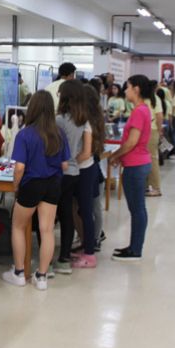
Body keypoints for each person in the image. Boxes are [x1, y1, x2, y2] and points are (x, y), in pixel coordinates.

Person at [2, 91, 70, 290]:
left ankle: (19, 272)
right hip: (53, 184)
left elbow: (19, 167)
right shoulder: (59, 133)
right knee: (47, 229)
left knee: (18, 226)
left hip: (31, 184)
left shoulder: (25, 134)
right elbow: (65, 165)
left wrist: (15, 186)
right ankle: (41, 277)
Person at [109, 75, 153, 261]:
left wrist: (115, 155)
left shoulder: (139, 112)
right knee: (137, 209)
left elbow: (132, 142)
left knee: (137, 209)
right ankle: (134, 246)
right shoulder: (143, 109)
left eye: (127, 87)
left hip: (136, 165)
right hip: (137, 163)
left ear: (136, 89)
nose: (125, 91)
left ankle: (135, 249)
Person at [52, 80, 89, 275]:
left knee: (49, 216)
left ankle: (46, 259)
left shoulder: (59, 120)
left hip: (59, 172)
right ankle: (64, 258)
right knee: (67, 215)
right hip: (74, 172)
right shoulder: (81, 120)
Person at [71, 85, 105, 268]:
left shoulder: (86, 123)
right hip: (88, 168)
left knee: (86, 211)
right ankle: (87, 247)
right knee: (84, 210)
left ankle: (89, 254)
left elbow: (85, 153)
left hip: (85, 169)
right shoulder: (94, 119)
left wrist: (70, 162)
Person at [144, 81, 164, 196]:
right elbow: (159, 116)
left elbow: (159, 116)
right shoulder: (155, 99)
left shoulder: (148, 99)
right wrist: (160, 130)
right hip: (152, 130)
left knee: (151, 159)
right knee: (150, 159)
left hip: (148, 131)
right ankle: (150, 186)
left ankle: (155, 187)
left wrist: (159, 130)